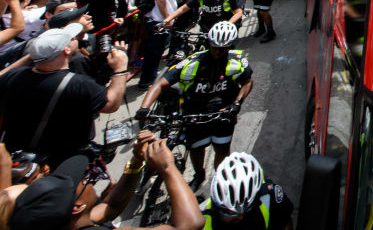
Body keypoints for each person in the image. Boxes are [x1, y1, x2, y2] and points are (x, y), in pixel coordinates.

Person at [137, 21, 253, 192]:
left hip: (222, 115)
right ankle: (199, 174)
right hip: (194, 114)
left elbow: (247, 82)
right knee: (196, 148)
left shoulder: (238, 62)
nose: (218, 52)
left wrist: (237, 103)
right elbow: (160, 84)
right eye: (215, 47)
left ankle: (220, 177)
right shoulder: (192, 63)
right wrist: (144, 108)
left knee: (221, 149)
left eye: (224, 48)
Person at [8, 136, 204, 230]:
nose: (87, 179)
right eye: (81, 182)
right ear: (76, 207)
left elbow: (110, 206)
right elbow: (189, 224)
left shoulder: (65, 223)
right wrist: (168, 167)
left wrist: (136, 162)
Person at [0, 23, 129, 163]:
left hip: (13, 153)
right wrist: (120, 68)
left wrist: (37, 54)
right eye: (72, 38)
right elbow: (111, 104)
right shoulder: (78, 84)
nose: (76, 39)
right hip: (60, 159)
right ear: (66, 50)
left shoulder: (14, 75)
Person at [202, 152, 294, 229]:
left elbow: (285, 221)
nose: (240, 217)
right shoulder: (203, 220)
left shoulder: (269, 194)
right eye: (227, 213)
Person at [139, 0, 182, 89]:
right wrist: (167, 18)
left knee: (155, 52)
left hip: (157, 19)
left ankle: (149, 77)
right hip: (159, 20)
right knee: (154, 53)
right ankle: (146, 81)